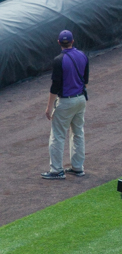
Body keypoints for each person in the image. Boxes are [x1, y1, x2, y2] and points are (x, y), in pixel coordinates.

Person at [42, 29, 88, 180]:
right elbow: (85, 80)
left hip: (66, 101)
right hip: (81, 99)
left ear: (59, 42)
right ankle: (78, 167)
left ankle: (56, 170)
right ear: (72, 41)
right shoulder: (83, 55)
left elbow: (55, 86)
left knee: (57, 136)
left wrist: (49, 107)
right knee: (78, 133)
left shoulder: (59, 60)